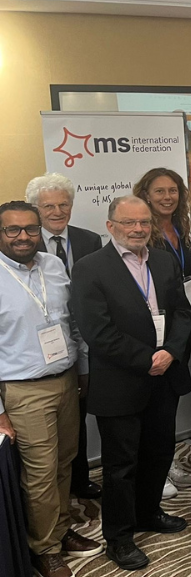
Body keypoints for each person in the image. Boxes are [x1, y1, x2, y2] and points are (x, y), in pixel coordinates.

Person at [72, 196, 191, 570]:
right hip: (121, 381)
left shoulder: (164, 260)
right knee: (120, 465)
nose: (138, 229)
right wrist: (147, 359)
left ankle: (148, 513)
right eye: (129, 223)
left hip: (165, 376)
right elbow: (97, 331)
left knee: (159, 452)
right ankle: (119, 537)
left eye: (144, 222)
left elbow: (182, 312)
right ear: (111, 226)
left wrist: (170, 352)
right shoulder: (89, 268)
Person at [0, 201, 103, 577]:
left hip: (65, 379)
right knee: (40, 474)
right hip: (23, 389)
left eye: (31, 229)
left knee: (64, 463)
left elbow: (71, 324)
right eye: (12, 230)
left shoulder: (54, 265)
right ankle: (44, 548)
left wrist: (83, 369)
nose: (23, 237)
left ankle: (58, 531)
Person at [26, 173, 103, 501]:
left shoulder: (89, 240)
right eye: (48, 207)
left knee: (77, 417)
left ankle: (79, 480)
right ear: (36, 210)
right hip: (40, 347)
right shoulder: (24, 244)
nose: (57, 212)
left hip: (83, 338)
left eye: (64, 204)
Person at [133, 168, 191, 496]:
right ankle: (152, 471)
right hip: (153, 327)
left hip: (181, 320)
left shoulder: (182, 227)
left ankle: (165, 461)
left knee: (168, 401)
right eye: (159, 191)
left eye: (172, 190)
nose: (167, 197)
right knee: (150, 402)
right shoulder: (142, 232)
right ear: (145, 195)